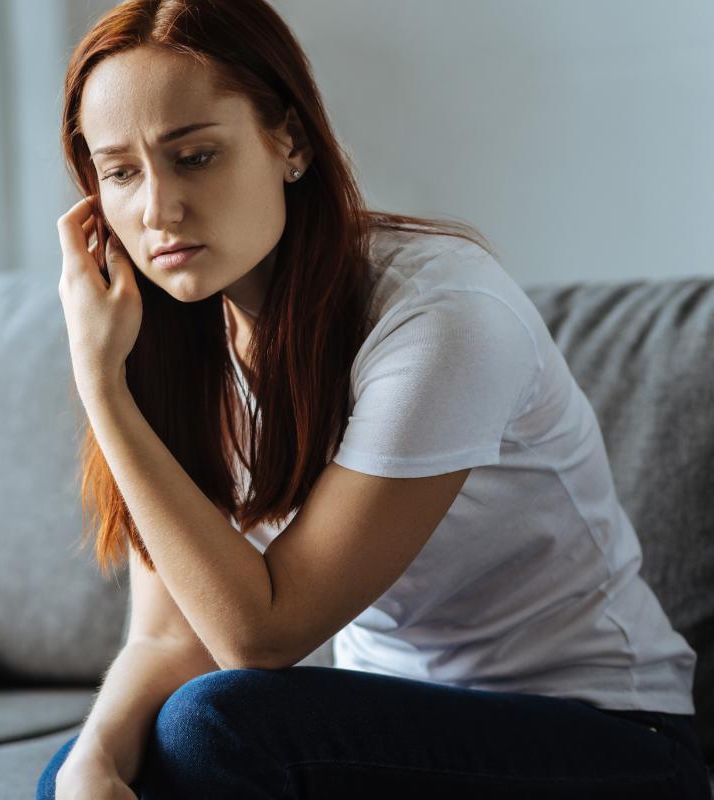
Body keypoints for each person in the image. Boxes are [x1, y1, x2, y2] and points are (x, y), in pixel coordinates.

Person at [42, 0, 710, 797]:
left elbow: (263, 635)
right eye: (120, 172)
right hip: (395, 733)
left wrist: (101, 386)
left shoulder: (442, 317)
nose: (158, 210)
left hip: (612, 742)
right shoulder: (181, 341)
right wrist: (95, 760)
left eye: (194, 157)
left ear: (288, 141)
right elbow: (166, 634)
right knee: (90, 770)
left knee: (211, 725)